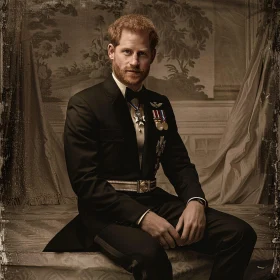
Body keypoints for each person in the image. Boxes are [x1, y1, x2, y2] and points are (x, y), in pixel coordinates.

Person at [44, 14, 257, 280]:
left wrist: (195, 201)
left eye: (142, 54)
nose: (134, 62)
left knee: (240, 234)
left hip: (153, 199)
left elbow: (178, 162)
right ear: (112, 52)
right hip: (104, 212)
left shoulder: (160, 104)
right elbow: (85, 182)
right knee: (151, 255)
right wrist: (143, 217)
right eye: (127, 52)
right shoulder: (85, 104)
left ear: (152, 56)